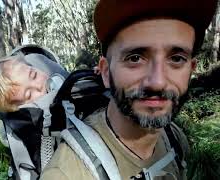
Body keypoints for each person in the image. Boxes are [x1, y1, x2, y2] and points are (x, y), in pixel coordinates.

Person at [40, 0, 217, 180]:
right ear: (107, 72)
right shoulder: (66, 174)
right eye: (135, 58)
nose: (157, 82)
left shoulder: (173, 137)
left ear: (192, 69)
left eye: (177, 59)